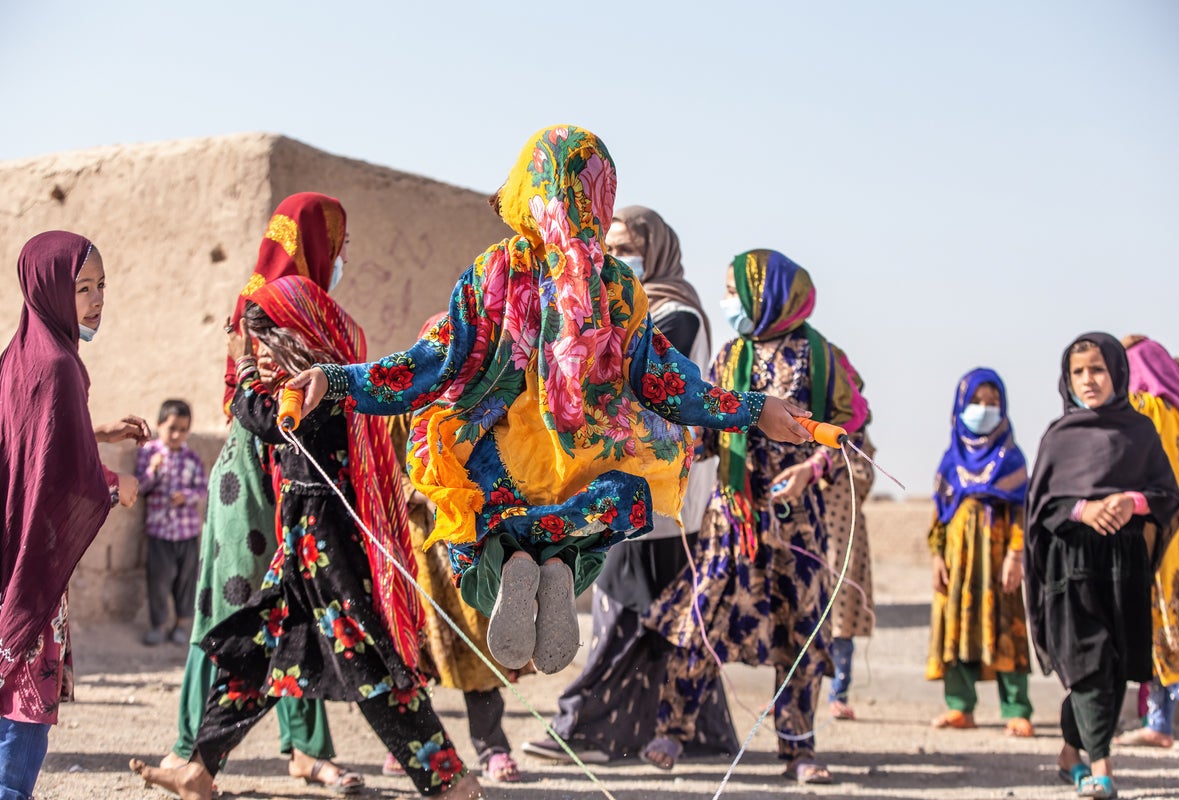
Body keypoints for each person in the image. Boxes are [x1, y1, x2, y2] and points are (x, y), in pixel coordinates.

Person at [287, 126, 813, 678]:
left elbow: (430, 363)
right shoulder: (615, 287)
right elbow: (668, 386)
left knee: (469, 544)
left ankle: (509, 569)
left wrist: (338, 381)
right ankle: (562, 568)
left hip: (498, 468)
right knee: (588, 529)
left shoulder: (495, 271)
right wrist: (758, 410)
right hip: (583, 476)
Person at [130, 275, 480, 800]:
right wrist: (252, 364)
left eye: (268, 342)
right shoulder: (315, 376)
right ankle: (198, 768)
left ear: (296, 336)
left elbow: (264, 422)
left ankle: (449, 780)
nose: (263, 356)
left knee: (366, 662)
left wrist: (243, 369)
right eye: (257, 346)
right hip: (303, 544)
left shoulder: (312, 384)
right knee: (260, 648)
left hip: (326, 544)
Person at [641, 249, 870, 784]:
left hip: (798, 521)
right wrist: (667, 456)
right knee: (700, 619)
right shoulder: (727, 358)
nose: (728, 301)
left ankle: (798, 748)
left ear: (768, 293)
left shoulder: (822, 358)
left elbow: (851, 425)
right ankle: (672, 731)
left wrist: (813, 469)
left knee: (801, 629)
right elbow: (708, 425)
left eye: (734, 289)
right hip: (734, 517)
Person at [523, 205, 737, 763]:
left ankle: (587, 729)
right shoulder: (636, 310)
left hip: (661, 487)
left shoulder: (673, 313)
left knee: (623, 600)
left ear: (655, 249)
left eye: (623, 249)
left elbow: (630, 385)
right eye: (608, 250)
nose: (613, 260)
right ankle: (703, 733)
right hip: (638, 483)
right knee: (666, 609)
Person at [160, 193, 355, 792]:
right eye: (338, 245)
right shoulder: (264, 305)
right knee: (231, 606)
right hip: (252, 475)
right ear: (314, 244)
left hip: (293, 474)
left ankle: (304, 748)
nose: (343, 256)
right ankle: (186, 748)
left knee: (297, 606)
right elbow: (258, 407)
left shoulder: (311, 306)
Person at [0, 232, 145, 800]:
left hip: (2, 543)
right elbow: (55, 471)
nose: (97, 298)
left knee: (11, 675)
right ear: (50, 289)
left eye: (101, 285)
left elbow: (24, 440)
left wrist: (93, 430)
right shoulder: (60, 365)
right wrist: (112, 483)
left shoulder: (21, 352)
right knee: (31, 690)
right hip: (34, 560)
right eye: (82, 288)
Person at [1025, 333, 1179, 799]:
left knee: (1113, 668)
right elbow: (1041, 508)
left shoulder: (1140, 432)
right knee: (1090, 664)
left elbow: (1168, 497)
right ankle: (1102, 771)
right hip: (1069, 568)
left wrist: (1130, 502)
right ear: (1066, 378)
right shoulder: (1058, 436)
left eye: (1097, 369)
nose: (1088, 380)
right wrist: (1082, 510)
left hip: (1124, 567)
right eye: (1078, 372)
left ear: (1117, 372)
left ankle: (1070, 754)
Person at [386, 406, 527, 784]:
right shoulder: (402, 404)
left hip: (470, 536)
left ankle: (492, 746)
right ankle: (411, 746)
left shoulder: (474, 399)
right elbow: (385, 468)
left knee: (477, 648)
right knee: (415, 648)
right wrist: (421, 490)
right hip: (419, 546)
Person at [926, 368, 1033, 736]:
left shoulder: (1012, 459)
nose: (984, 409)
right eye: (976, 402)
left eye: (992, 403)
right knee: (955, 628)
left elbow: (1020, 511)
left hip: (998, 561)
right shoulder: (949, 461)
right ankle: (960, 708)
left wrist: (1016, 556)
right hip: (957, 565)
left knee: (1008, 628)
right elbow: (939, 514)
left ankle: (1017, 710)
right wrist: (937, 556)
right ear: (960, 406)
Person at [1114, 336, 1179, 749]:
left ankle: (1161, 717)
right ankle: (1158, 720)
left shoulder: (1145, 410)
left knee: (1164, 621)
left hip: (1160, 536)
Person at [137, 399, 206, 646]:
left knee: (186, 581)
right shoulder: (149, 454)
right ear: (158, 425)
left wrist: (186, 496)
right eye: (172, 428)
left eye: (183, 429)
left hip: (187, 533)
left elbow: (201, 489)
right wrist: (152, 472)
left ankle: (180, 625)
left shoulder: (192, 458)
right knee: (158, 580)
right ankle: (159, 625)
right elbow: (139, 488)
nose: (177, 434)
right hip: (159, 533)